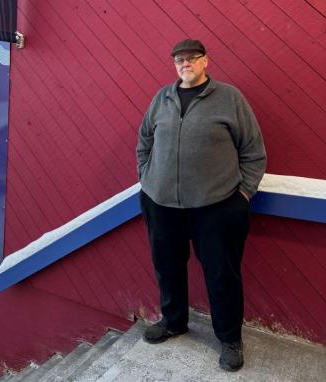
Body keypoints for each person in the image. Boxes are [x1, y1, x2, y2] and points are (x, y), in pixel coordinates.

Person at [136, 39, 266, 372]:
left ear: (205, 61)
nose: (185, 63)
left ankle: (230, 339)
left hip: (217, 206)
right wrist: (147, 179)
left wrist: (244, 194)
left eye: (191, 58)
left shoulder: (229, 98)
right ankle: (174, 321)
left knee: (222, 274)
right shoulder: (161, 98)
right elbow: (144, 141)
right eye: (179, 59)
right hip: (161, 203)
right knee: (167, 266)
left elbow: (253, 151)